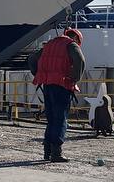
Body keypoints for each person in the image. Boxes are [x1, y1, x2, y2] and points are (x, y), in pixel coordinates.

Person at [33, 28, 86, 162]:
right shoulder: (71, 45)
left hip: (47, 85)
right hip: (62, 85)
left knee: (51, 119)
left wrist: (39, 74)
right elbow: (80, 60)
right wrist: (74, 79)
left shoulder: (50, 44)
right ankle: (56, 153)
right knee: (60, 119)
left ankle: (47, 152)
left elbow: (32, 59)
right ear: (76, 38)